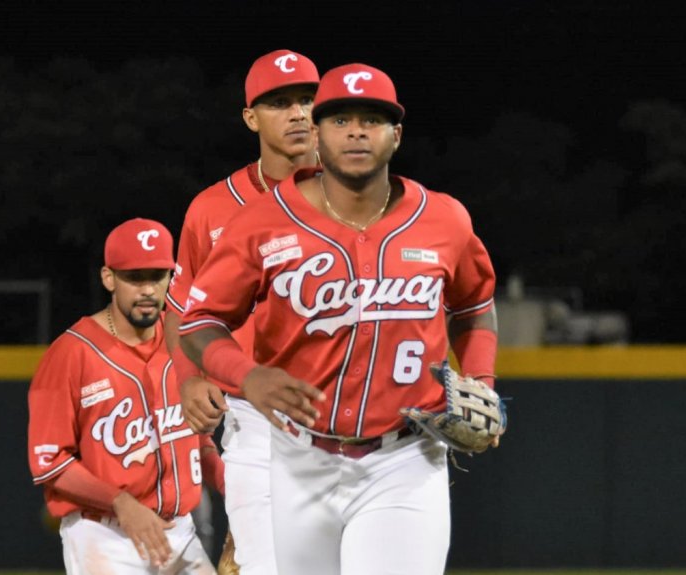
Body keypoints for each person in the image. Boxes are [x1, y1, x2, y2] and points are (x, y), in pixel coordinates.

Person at [178, 63, 500, 575]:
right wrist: (246, 375)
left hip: (405, 457)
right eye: (341, 119)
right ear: (319, 133)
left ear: (396, 134)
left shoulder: (444, 219)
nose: (356, 132)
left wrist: (480, 378)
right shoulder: (263, 220)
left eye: (372, 119)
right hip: (296, 455)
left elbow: (475, 305)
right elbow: (199, 319)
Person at [164, 48, 319, 575]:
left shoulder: (358, 197)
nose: (297, 113)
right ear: (251, 118)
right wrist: (188, 379)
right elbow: (182, 310)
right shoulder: (212, 208)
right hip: (253, 416)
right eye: (280, 103)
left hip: (347, 412)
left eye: (307, 100)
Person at [27, 218, 223, 574]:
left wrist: (244, 501)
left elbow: (200, 440)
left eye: (156, 276)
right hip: (105, 534)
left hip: (181, 532)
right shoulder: (71, 353)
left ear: (171, 277)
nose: (147, 289)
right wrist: (119, 502)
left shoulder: (184, 342)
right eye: (134, 278)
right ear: (108, 278)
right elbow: (50, 462)